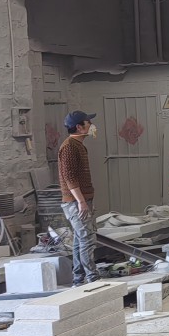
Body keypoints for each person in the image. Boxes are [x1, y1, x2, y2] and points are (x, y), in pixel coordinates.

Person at [58, 110, 99, 286]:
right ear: (79, 127)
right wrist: (81, 201)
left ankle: (78, 278)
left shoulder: (78, 145)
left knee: (79, 239)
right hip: (75, 202)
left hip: (81, 200)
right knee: (87, 239)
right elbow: (69, 177)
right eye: (88, 122)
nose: (91, 125)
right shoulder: (69, 147)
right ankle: (92, 277)